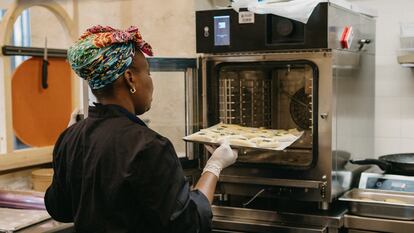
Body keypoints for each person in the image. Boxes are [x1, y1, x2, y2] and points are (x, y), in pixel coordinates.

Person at [44, 25, 238, 233]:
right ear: (130, 78)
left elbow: (59, 209)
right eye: (148, 73)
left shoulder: (70, 136)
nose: (150, 82)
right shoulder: (148, 147)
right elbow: (190, 223)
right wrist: (214, 167)